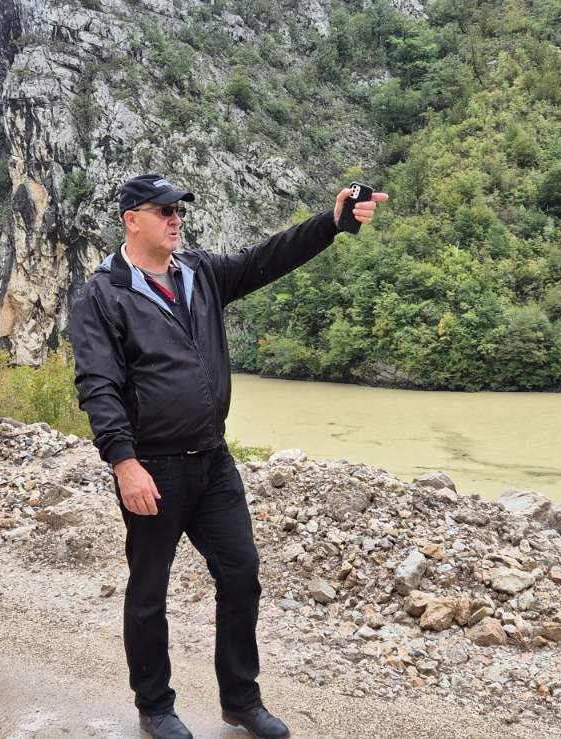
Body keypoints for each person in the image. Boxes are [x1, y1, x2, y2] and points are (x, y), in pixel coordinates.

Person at [70, 173, 387, 739]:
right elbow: (98, 385)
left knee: (241, 575)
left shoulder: (200, 273)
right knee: (149, 590)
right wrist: (124, 462)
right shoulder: (103, 293)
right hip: (154, 467)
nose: (175, 219)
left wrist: (332, 223)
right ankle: (155, 707)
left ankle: (240, 700)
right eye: (163, 211)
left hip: (213, 460)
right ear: (131, 220)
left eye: (179, 211)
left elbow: (267, 258)